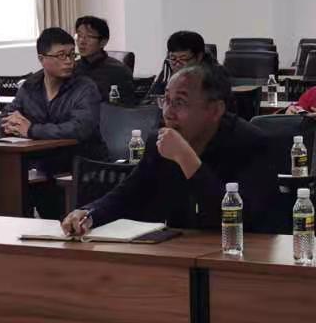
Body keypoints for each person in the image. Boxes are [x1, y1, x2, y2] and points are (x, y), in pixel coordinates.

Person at [61, 61, 280, 236]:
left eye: (180, 102)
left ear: (215, 110)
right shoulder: (160, 141)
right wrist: (89, 213)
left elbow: (241, 219)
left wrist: (186, 158)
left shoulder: (252, 143)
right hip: (181, 251)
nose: (168, 112)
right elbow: (130, 193)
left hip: (244, 257)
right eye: (166, 100)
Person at [0, 27, 106, 160]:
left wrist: (32, 130)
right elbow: (1, 121)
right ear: (41, 59)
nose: (69, 61)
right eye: (61, 55)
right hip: (42, 160)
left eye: (72, 54)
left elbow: (80, 128)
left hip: (82, 162)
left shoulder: (85, 87)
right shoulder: (30, 86)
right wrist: (10, 127)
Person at [73, 15, 134, 103]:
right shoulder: (71, 68)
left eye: (89, 36)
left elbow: (125, 107)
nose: (81, 41)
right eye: (79, 36)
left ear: (103, 42)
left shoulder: (119, 72)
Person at [151, 30, 207, 95]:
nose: (177, 64)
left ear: (199, 57)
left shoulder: (212, 77)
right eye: (173, 58)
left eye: (183, 58)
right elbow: (155, 96)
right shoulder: (168, 66)